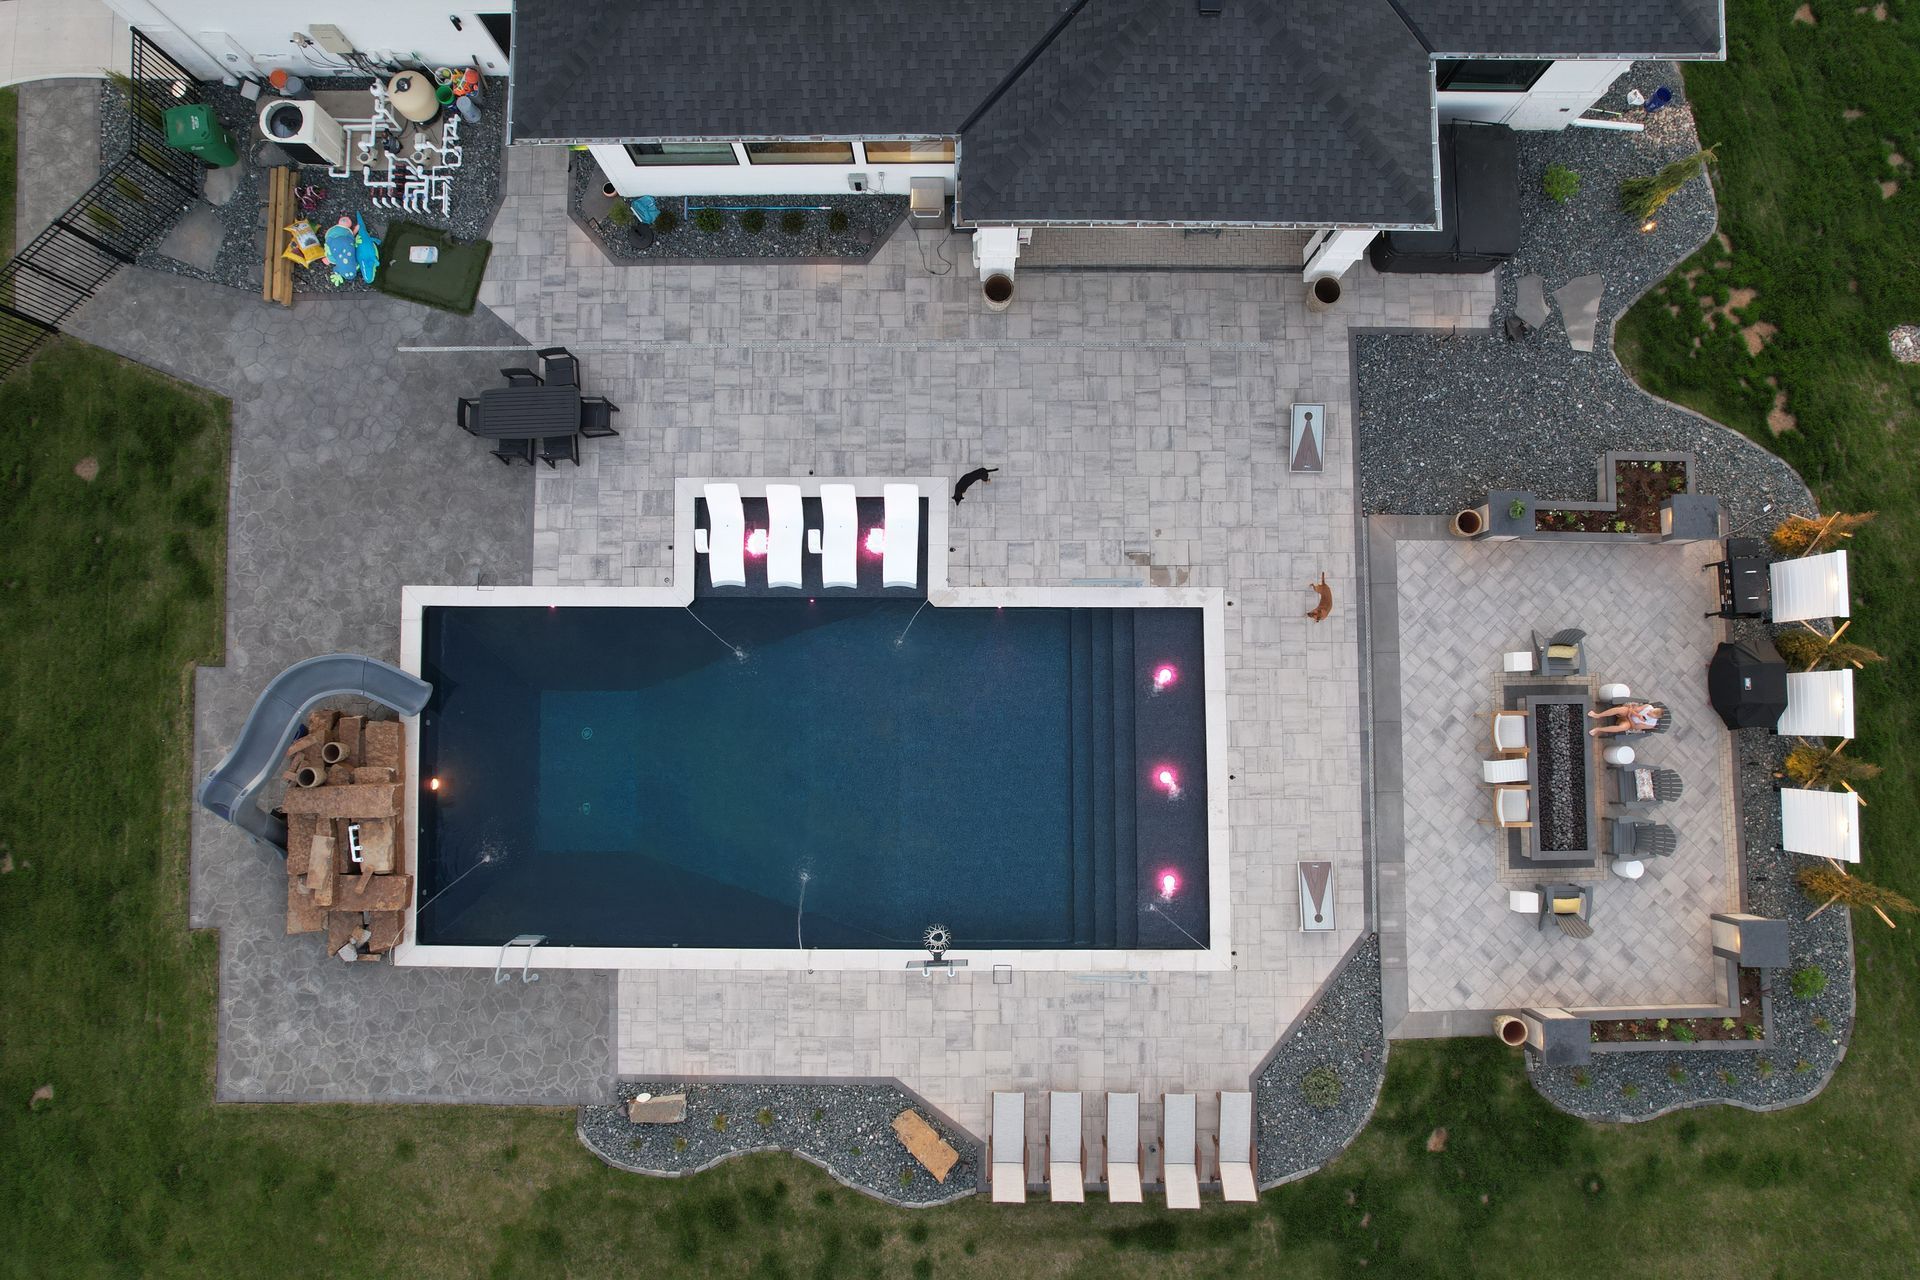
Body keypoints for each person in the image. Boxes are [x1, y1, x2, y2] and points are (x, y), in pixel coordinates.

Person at [1588, 702, 1665, 737]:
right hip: (1630, 713)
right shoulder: (1648, 706)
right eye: (1650, 711)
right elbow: (1633, 710)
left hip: (1629, 722)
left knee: (1622, 727)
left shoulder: (1651, 724)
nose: (1648, 712)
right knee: (1621, 710)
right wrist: (1638, 716)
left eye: (1650, 714)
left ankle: (1598, 729)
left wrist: (1629, 717)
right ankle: (1597, 715)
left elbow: (1634, 727)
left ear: (1654, 718)